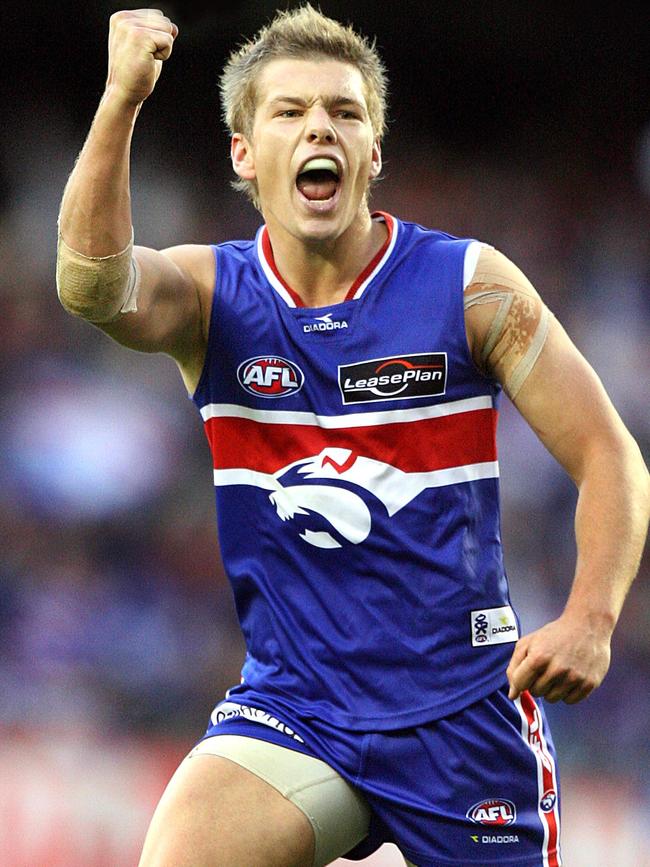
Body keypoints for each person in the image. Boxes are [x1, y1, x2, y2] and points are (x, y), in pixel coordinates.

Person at [56, 6, 649, 866]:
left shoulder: (468, 285)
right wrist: (120, 98)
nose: (318, 128)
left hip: (462, 711)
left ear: (373, 152)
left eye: (343, 111)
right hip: (297, 707)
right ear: (244, 153)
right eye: (289, 112)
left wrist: (591, 617)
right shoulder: (212, 295)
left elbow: (610, 456)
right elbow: (88, 285)